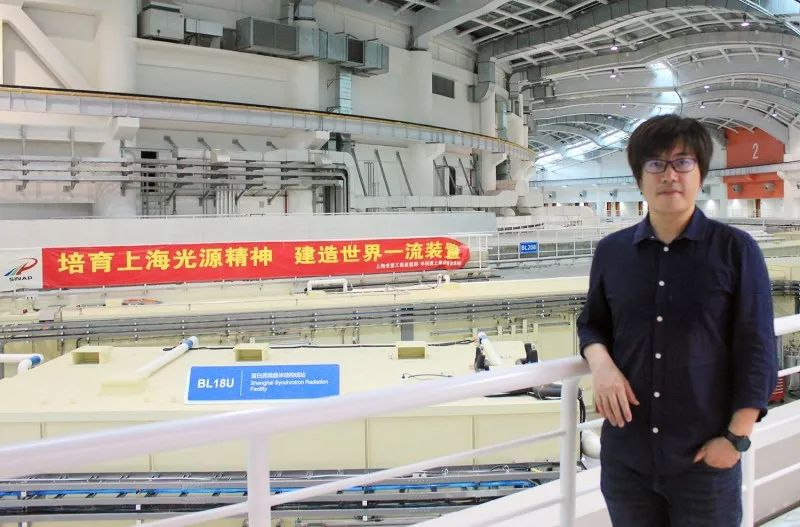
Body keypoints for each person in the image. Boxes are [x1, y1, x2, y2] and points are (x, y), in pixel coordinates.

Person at [577, 114, 777, 526]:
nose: (669, 175)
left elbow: (757, 348)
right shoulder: (612, 252)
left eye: (682, 162)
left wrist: (736, 439)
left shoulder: (736, 251)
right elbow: (592, 323)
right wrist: (602, 365)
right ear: (639, 178)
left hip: (704, 459)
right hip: (627, 462)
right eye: (656, 163)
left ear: (700, 174)